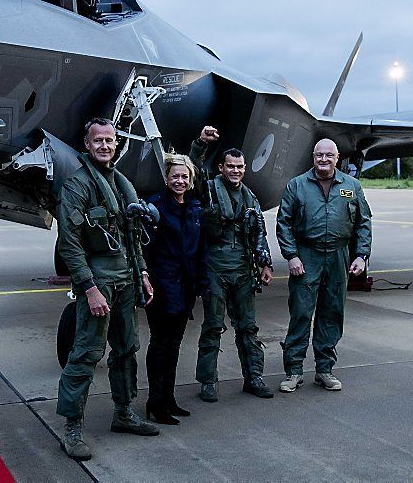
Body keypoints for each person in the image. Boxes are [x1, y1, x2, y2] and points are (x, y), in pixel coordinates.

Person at [55, 117, 159, 461]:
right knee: (86, 352)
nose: (104, 146)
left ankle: (124, 412)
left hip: (126, 278)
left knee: (127, 348)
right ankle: (72, 427)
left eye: (110, 141)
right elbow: (70, 244)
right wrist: (88, 288)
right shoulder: (77, 184)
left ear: (116, 144)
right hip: (98, 278)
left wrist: (142, 271)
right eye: (98, 140)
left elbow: (131, 233)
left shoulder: (120, 182)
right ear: (87, 144)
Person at [276, 139, 372, 392]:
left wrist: (361, 255)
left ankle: (325, 369)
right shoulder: (296, 185)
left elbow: (363, 223)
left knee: (332, 313)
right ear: (313, 157)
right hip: (307, 255)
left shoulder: (351, 186)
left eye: (329, 155)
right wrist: (291, 256)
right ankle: (294, 371)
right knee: (300, 314)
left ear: (337, 158)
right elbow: (283, 223)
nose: (324, 160)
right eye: (319, 155)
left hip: (338, 256)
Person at [190, 125, 275, 402]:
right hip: (215, 267)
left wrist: (265, 264)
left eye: (239, 167)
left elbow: (259, 233)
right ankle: (208, 381)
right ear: (221, 167)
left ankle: (254, 376)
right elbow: (195, 169)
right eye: (230, 166)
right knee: (213, 326)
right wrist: (201, 144)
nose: (235, 171)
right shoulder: (209, 190)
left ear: (245, 168)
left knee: (248, 327)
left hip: (242, 269)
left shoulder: (250, 197)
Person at [142, 152, 209, 424]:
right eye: (175, 176)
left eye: (184, 176)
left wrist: (201, 283)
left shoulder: (194, 208)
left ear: (191, 179)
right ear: (166, 178)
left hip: (185, 288)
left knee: (174, 344)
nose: (180, 181)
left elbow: (199, 249)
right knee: (160, 344)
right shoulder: (155, 207)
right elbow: (145, 246)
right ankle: (155, 402)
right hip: (162, 285)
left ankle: (168, 399)